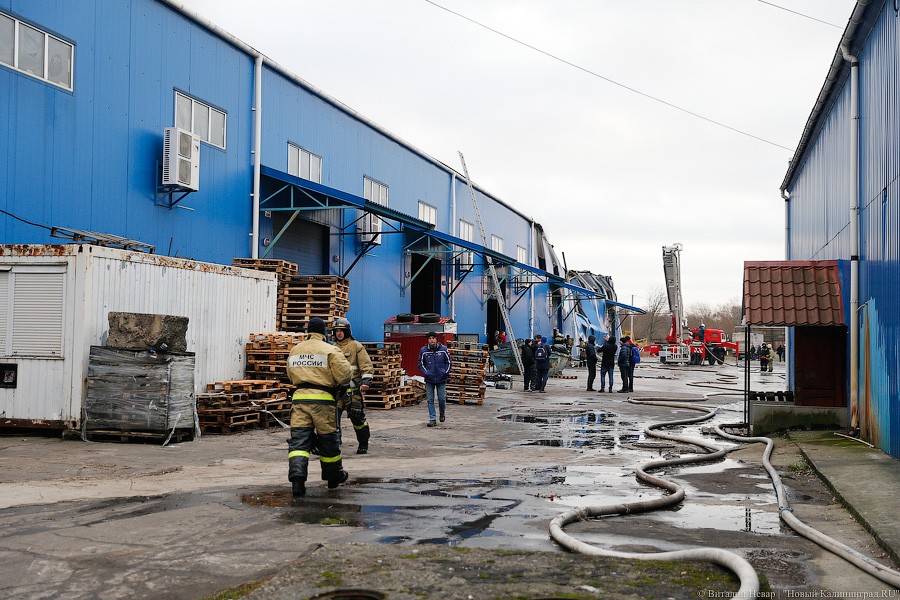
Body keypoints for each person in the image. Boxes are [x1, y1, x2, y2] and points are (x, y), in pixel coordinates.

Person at [285, 317, 353, 497]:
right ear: (323, 332)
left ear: (308, 331)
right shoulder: (330, 350)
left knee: (299, 443)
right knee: (328, 440)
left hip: (299, 401)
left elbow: (290, 376)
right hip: (323, 402)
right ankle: (333, 477)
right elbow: (345, 376)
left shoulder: (295, 350)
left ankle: (298, 482)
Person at [331, 318, 373, 455]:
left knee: (358, 419)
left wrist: (366, 382)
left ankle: (363, 443)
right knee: (332, 421)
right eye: (336, 331)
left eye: (341, 331)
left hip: (352, 392)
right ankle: (335, 444)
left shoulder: (356, 346)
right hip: (336, 393)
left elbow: (366, 366)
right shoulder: (332, 348)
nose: (339, 334)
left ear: (347, 331)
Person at [418, 331, 452, 426]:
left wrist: (445, 372)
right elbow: (420, 364)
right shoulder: (423, 351)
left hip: (441, 379)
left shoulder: (443, 349)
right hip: (430, 379)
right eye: (430, 338)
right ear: (428, 340)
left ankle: (442, 413)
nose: (432, 340)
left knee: (441, 398)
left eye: (433, 338)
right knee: (430, 399)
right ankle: (432, 419)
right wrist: (426, 373)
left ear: (436, 339)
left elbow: (449, 362)